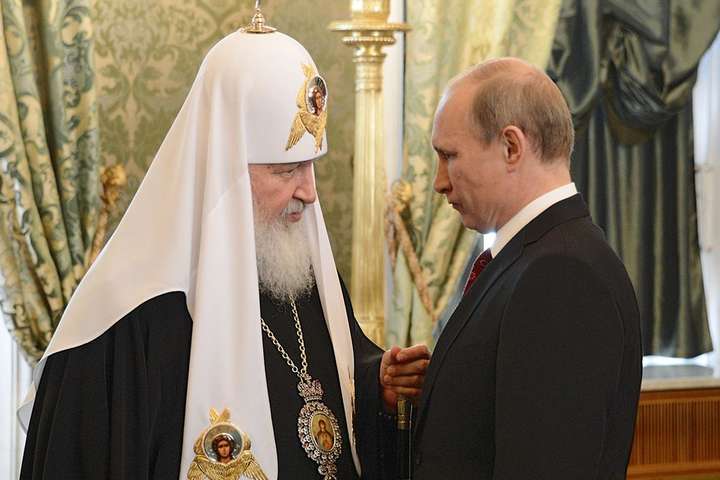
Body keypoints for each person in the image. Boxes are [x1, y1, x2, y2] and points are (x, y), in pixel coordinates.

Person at [19, 13, 429, 480]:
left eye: (311, 165)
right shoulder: (129, 316)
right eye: (285, 170)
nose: (309, 192)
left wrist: (377, 387)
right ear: (222, 167)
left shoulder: (301, 271)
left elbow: (331, 402)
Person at [413, 57, 642, 479]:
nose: (439, 182)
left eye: (449, 155)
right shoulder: (535, 257)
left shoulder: (562, 276)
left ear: (511, 147)